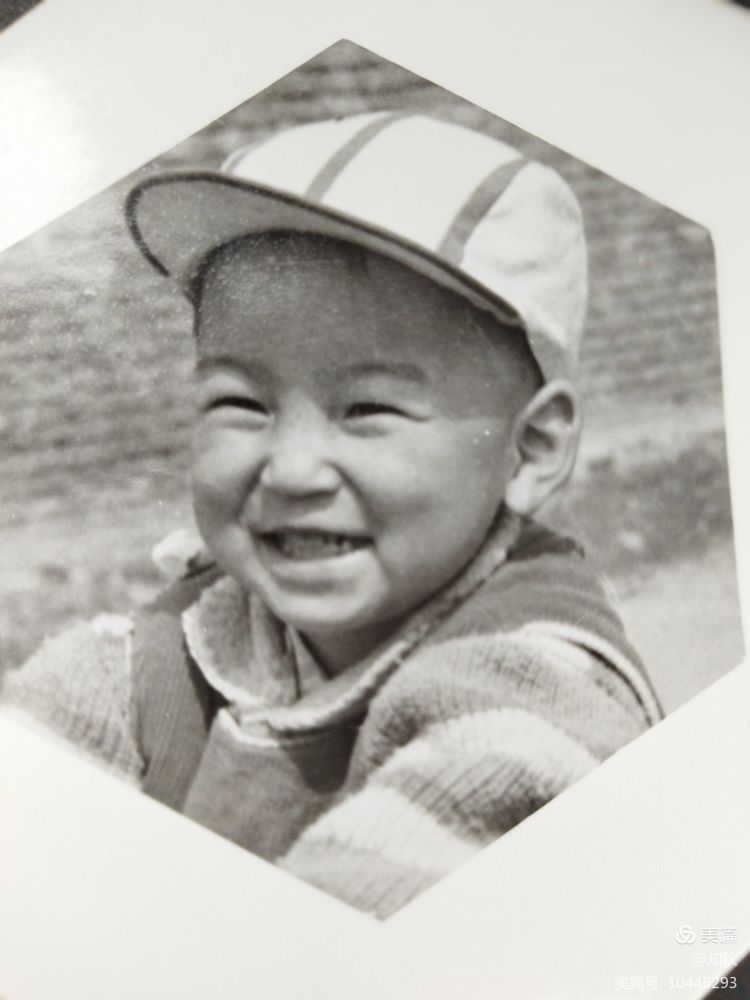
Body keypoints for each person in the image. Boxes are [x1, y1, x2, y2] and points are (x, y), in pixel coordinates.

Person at [2, 111, 663, 918]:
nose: (291, 468)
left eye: (368, 409)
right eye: (241, 402)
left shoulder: (530, 693)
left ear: (529, 450)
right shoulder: (167, 655)